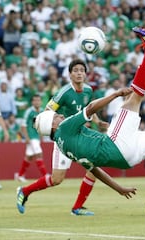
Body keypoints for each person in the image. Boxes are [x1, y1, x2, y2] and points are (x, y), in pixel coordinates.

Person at [17, 27, 145, 215]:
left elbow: (96, 171)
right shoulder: (64, 127)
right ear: (53, 125)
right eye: (56, 117)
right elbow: (89, 109)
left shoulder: (65, 147)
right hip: (116, 144)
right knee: (135, 97)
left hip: (128, 158)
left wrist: (119, 189)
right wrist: (115, 94)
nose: (59, 116)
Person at [16, 58, 109, 216]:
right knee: (56, 179)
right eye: (76, 71)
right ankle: (24, 191)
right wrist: (60, 123)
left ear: (85, 74)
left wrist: (98, 122)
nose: (79, 73)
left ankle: (77, 207)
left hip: (81, 137)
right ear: (70, 74)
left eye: (82, 70)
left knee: (94, 168)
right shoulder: (64, 93)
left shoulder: (88, 90)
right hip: (65, 139)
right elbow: (47, 111)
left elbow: (89, 109)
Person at [16, 94, 47, 182]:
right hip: (31, 137)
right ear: (32, 102)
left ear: (41, 102)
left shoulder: (42, 111)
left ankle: (20, 175)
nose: (37, 102)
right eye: (35, 100)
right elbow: (23, 125)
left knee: (29, 157)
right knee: (39, 154)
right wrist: (26, 137)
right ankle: (45, 175)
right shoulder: (28, 111)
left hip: (36, 137)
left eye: (38, 100)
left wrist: (41, 135)